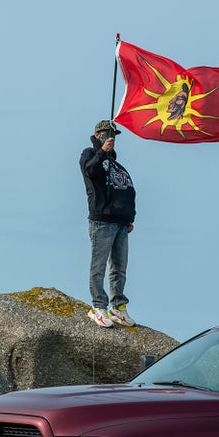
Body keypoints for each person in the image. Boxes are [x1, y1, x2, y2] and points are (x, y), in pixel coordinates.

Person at [79, 120, 136, 328]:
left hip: (121, 223)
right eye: (106, 133)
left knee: (119, 268)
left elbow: (128, 190)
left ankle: (118, 307)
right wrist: (101, 152)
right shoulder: (89, 154)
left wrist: (130, 218)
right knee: (99, 266)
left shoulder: (117, 164)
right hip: (101, 221)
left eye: (113, 134)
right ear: (97, 134)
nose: (110, 137)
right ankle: (98, 306)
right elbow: (90, 171)